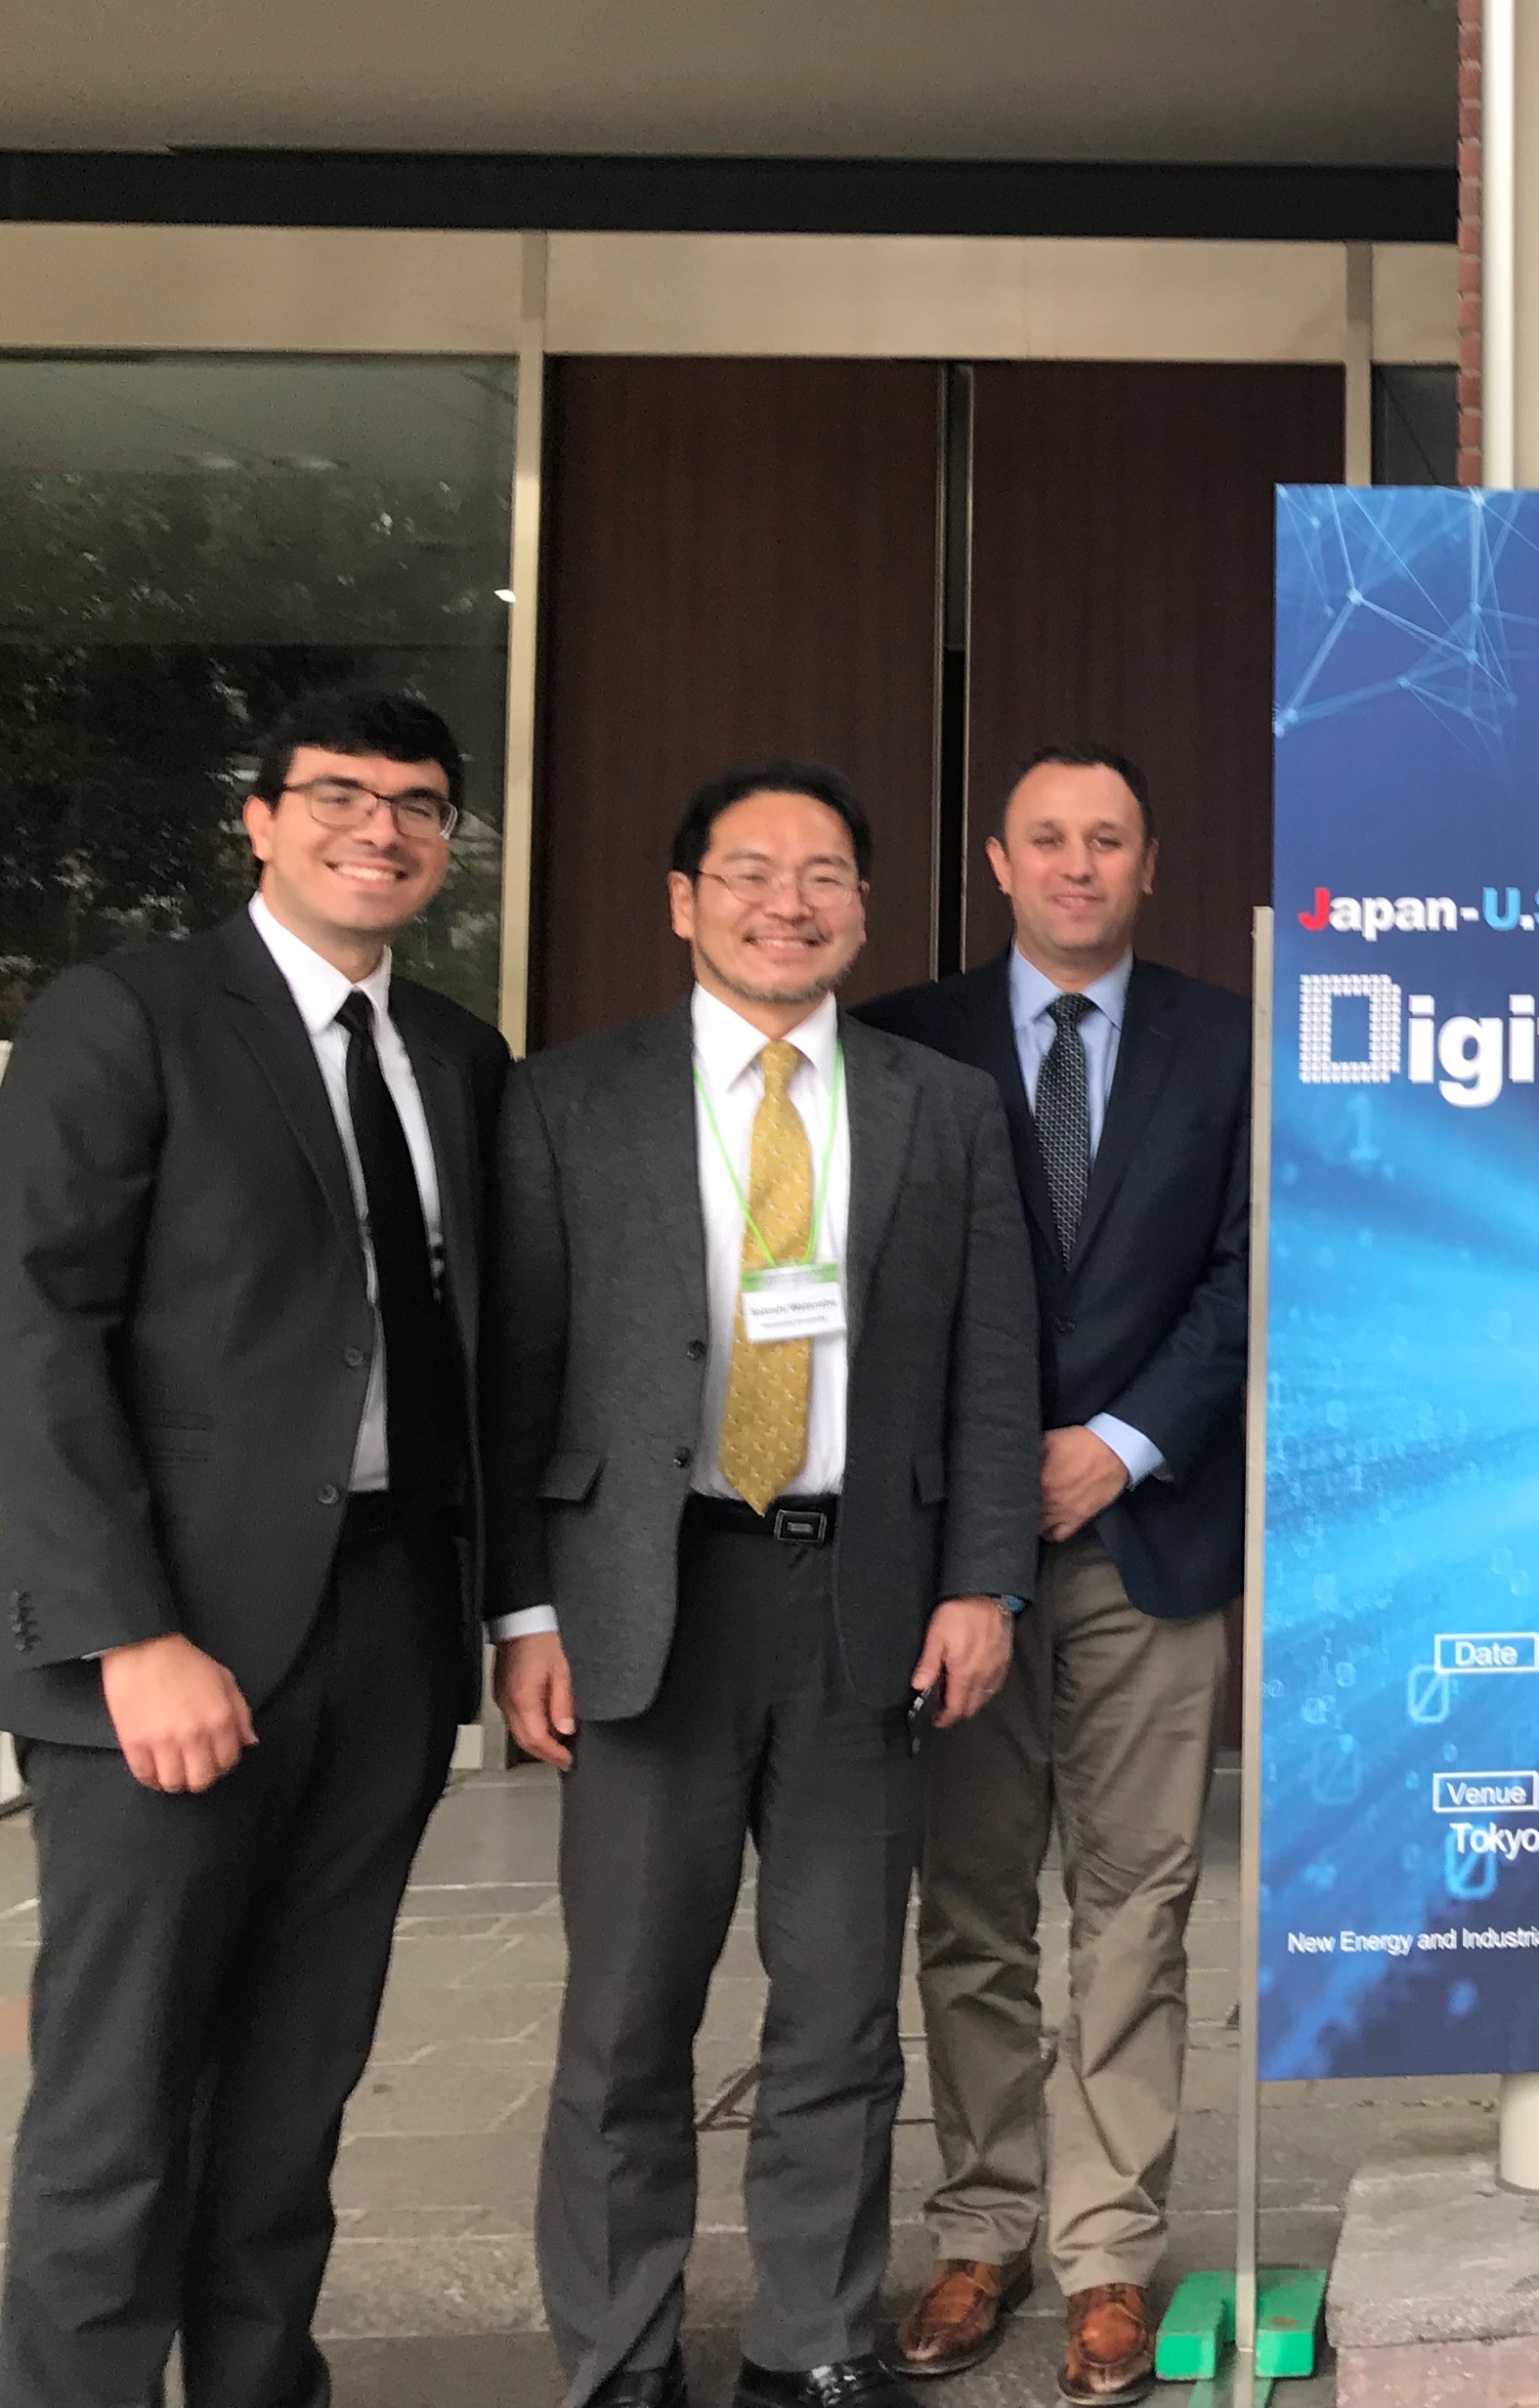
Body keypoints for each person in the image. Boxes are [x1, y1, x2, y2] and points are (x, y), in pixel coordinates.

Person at [0, 688, 507, 2408]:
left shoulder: (453, 1056)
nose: (383, 828)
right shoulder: (126, 1018)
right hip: (168, 1646)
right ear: (258, 820)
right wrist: (131, 1633)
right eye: (340, 795)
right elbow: (32, 1330)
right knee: (121, 2100)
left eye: (419, 804)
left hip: (385, 1627)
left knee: (296, 2088)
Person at [485, 760, 1041, 2408]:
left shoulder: (938, 1107)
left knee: (839, 2012)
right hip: (644, 1607)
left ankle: (812, 2338)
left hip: (858, 1602)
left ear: (865, 910)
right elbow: (517, 1375)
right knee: (627, 2023)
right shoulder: (568, 1103)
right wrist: (524, 1612)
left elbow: (990, 1367)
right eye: (748, 872)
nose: (785, 903)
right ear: (684, 900)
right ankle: (620, 2352)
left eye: (823, 877)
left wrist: (983, 1579)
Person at [861, 747, 1252, 2401]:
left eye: (1108, 840)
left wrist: (1127, 1439)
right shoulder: (903, 1039)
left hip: (1151, 1531)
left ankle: (1108, 2253)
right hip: (960, 1549)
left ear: (1149, 863)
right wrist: (996, 1457)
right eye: (1048, 840)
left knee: (1137, 1904)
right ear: (1000, 866)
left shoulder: (1229, 1039)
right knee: (967, 1903)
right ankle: (982, 2223)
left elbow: (1253, 1264)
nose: (1078, 865)